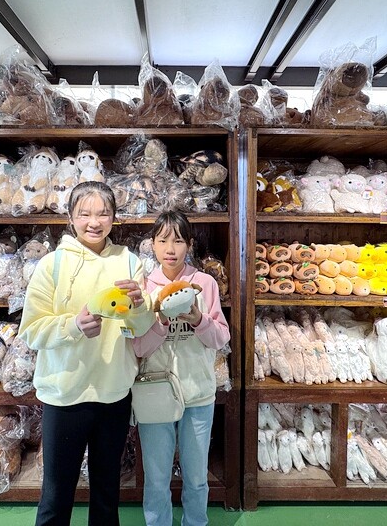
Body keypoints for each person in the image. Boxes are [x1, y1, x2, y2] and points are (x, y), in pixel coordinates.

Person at [18, 181, 154, 526]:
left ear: (114, 218)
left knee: (107, 491)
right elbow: (31, 330)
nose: (95, 222)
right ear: (71, 218)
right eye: (85, 214)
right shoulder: (52, 264)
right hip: (65, 394)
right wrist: (72, 326)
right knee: (56, 491)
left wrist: (139, 306)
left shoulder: (129, 262)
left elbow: (140, 327)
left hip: (114, 392)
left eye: (103, 213)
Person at [133, 210, 231, 526]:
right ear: (152, 245)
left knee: (196, 476)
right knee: (157, 478)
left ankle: (196, 522)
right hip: (155, 394)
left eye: (178, 240)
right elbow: (137, 348)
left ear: (189, 244)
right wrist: (160, 322)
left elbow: (220, 338)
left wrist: (197, 319)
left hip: (198, 393)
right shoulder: (144, 287)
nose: (170, 248)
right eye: (163, 240)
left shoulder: (205, 283)